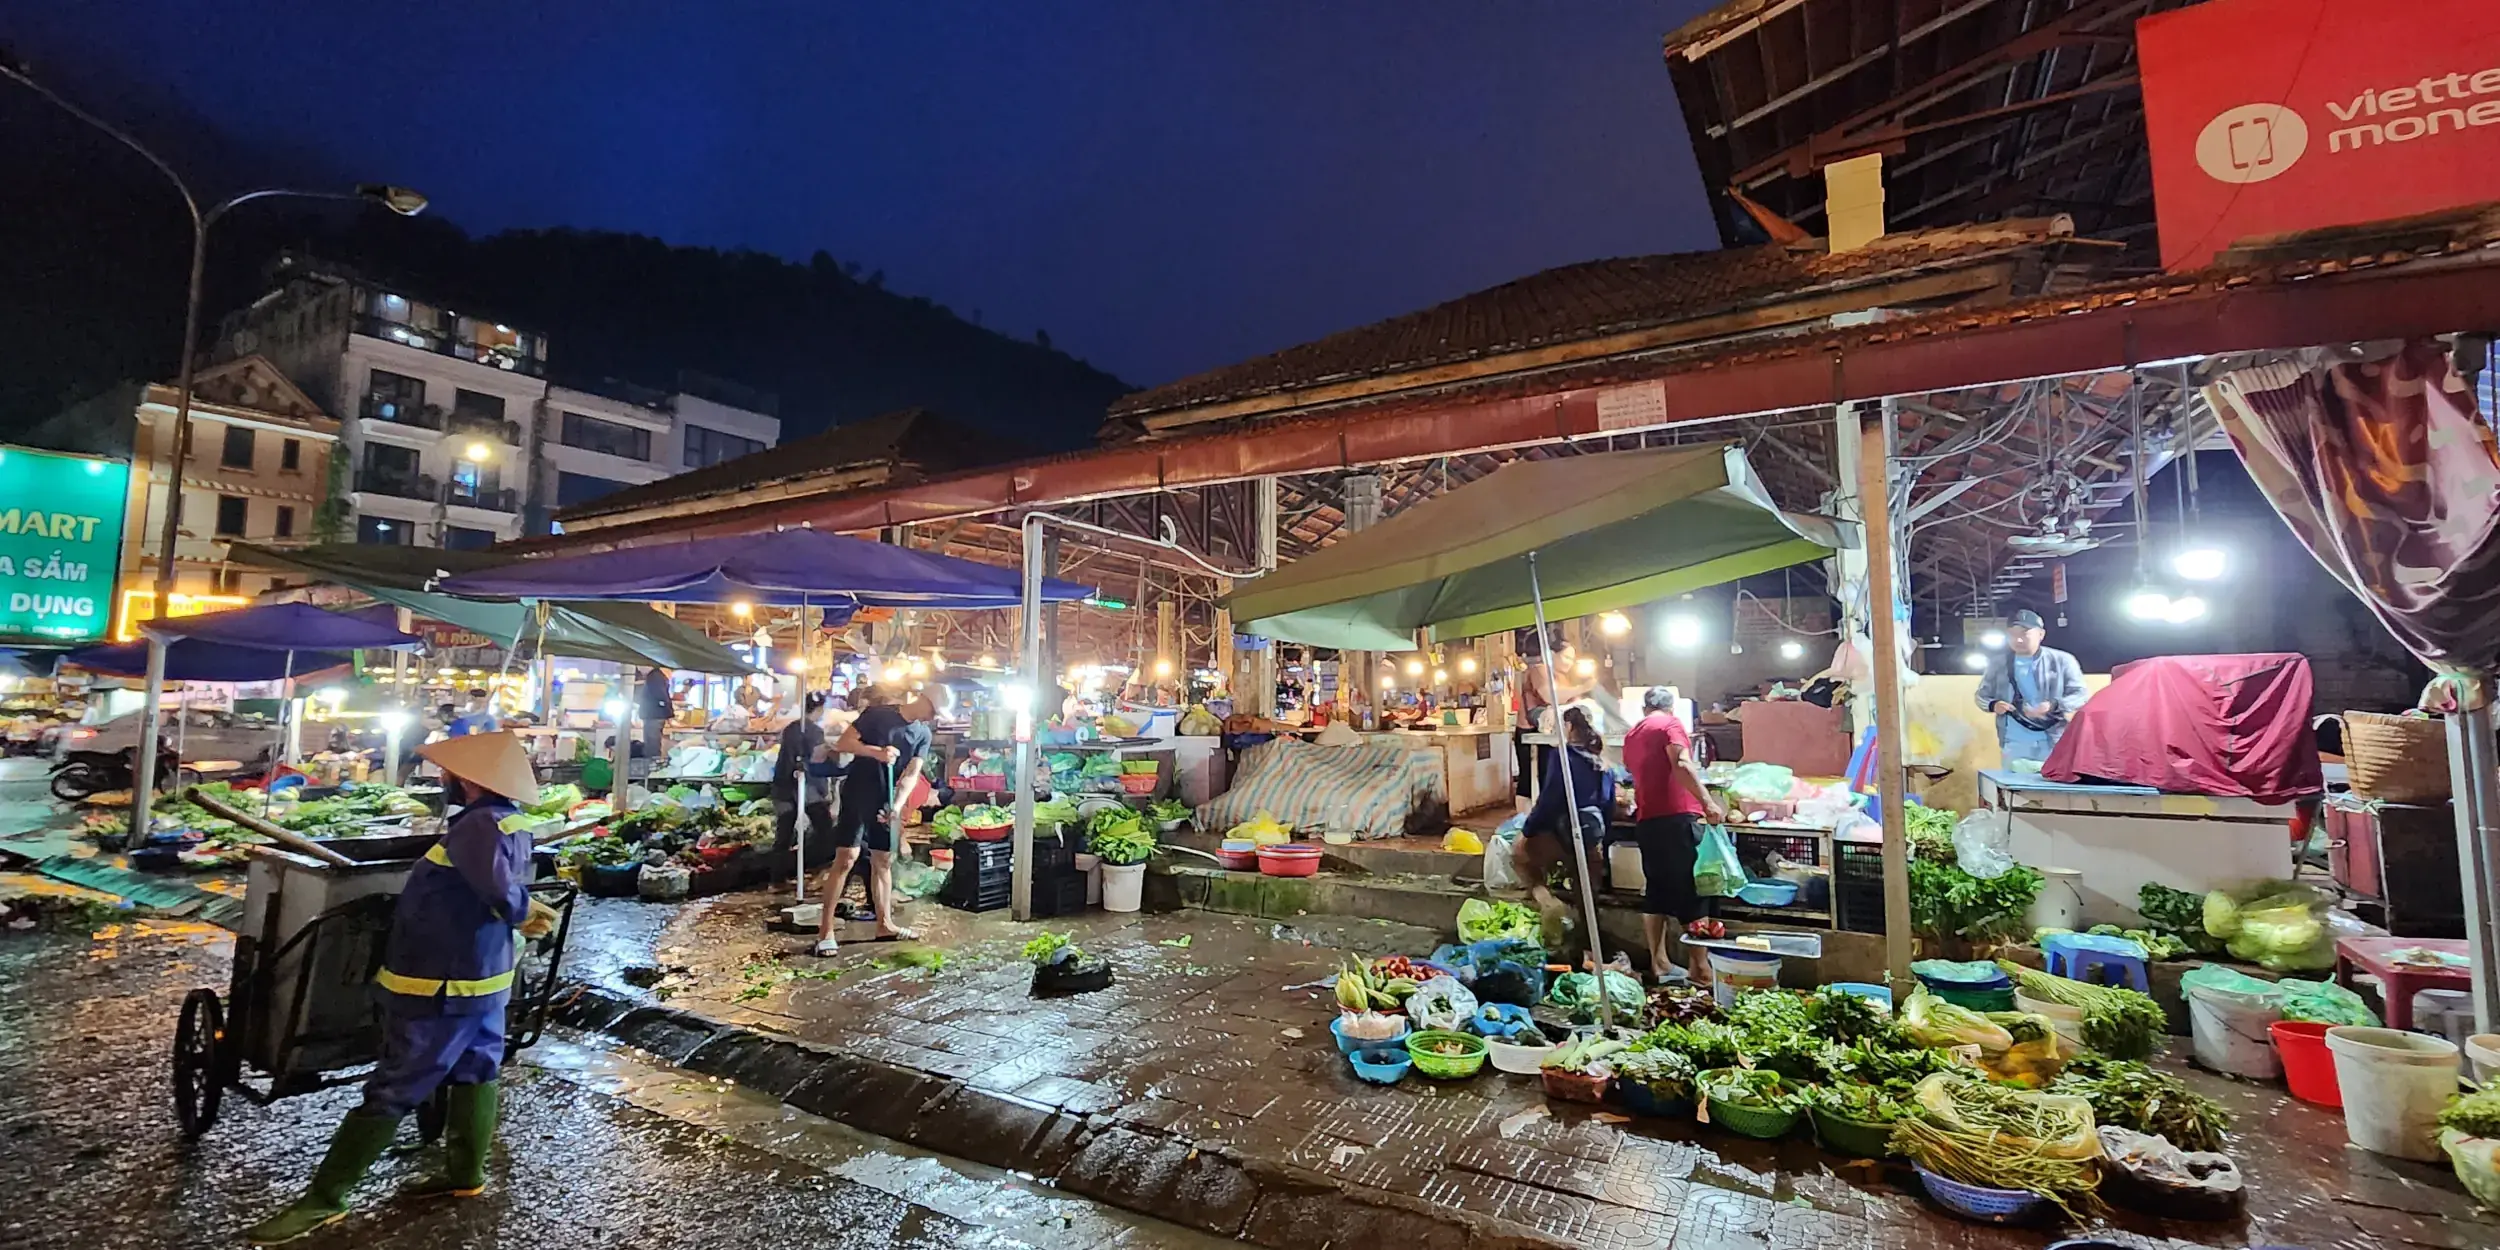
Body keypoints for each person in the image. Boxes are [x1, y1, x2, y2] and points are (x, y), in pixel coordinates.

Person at [244, 731, 556, 1244]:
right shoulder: (510, 821)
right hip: (482, 980)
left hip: (440, 982)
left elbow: (498, 889)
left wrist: (521, 913)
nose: (442, 778)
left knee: (398, 1083)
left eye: (449, 773)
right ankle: (465, 1177)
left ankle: (325, 1199)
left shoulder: (478, 825)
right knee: (477, 1068)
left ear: (472, 780)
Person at [812, 684, 951, 954]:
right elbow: (844, 743)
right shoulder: (878, 715)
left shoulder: (923, 733)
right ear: (922, 699)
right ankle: (825, 931)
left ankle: (884, 924)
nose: (933, 717)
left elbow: (912, 773)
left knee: (883, 860)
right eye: (933, 711)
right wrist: (876, 752)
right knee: (847, 857)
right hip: (858, 791)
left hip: (886, 798)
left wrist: (897, 805)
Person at [1622, 686, 1724, 984]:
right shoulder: (1669, 724)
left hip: (1648, 820)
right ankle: (1700, 969)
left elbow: (1636, 772)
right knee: (1693, 889)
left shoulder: (1633, 734)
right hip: (1678, 816)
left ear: (1644, 709)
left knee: (1657, 889)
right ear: (1671, 708)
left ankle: (1659, 963)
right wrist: (1707, 802)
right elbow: (1681, 764)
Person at [1511, 707, 1616, 916]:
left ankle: (1549, 905)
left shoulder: (1562, 756)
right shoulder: (1603, 762)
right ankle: (1587, 943)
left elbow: (1550, 798)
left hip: (1564, 831)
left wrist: (1528, 830)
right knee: (1586, 895)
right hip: (1592, 835)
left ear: (1568, 727)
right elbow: (1608, 804)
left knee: (1519, 854)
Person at [1975, 609, 2089, 767]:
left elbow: (2080, 694)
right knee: (2014, 785)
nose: (2018, 640)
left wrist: (2054, 705)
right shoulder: (1998, 663)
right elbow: (1982, 695)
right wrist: (1993, 704)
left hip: (2055, 738)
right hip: (2014, 741)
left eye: (2024, 633)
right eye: (2012, 634)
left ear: (2041, 634)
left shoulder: (2063, 660)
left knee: (2054, 784)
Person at [770, 692, 836, 882]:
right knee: (824, 830)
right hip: (807, 788)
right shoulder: (814, 731)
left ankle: (776, 880)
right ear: (820, 709)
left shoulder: (791, 728)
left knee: (783, 834)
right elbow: (817, 758)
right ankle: (819, 871)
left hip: (783, 785)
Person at [638, 666, 673, 758]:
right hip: (654, 715)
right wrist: (669, 712)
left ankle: (652, 766)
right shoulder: (656, 676)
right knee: (652, 743)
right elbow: (663, 696)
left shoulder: (654, 677)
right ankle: (652, 764)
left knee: (652, 744)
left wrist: (668, 711)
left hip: (653, 715)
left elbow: (662, 696)